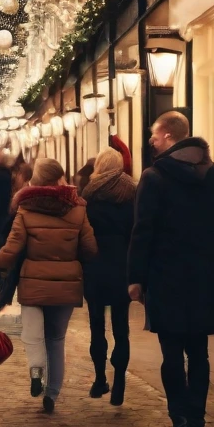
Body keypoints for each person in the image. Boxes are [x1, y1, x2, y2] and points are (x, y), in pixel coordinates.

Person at [128, 111, 214, 427]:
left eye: (155, 135)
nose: (151, 141)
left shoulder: (154, 177)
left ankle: (180, 419)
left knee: (172, 353)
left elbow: (143, 231)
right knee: (200, 354)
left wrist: (136, 278)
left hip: (166, 276)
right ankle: (197, 424)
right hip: (204, 276)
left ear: (171, 137)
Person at [0, 157, 97, 414]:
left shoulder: (26, 210)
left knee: (32, 335)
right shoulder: (78, 209)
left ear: (36, 180)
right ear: (60, 177)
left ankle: (36, 371)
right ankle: (52, 393)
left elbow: (9, 253)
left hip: (33, 285)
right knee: (56, 339)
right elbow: (90, 250)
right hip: (66, 285)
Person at [81, 148, 136, 405]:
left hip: (95, 264)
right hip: (122, 265)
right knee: (121, 328)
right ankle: (120, 382)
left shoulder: (89, 195)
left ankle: (100, 378)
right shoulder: (132, 194)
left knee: (96, 326)